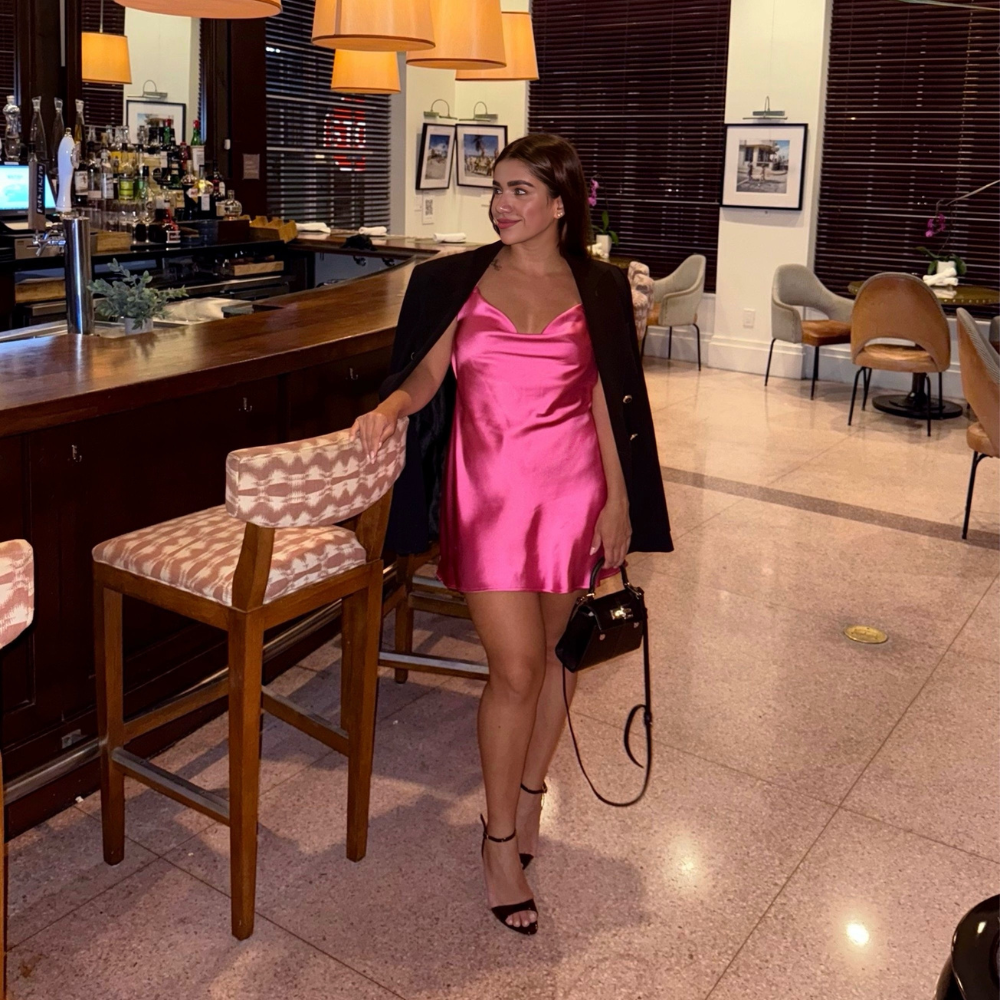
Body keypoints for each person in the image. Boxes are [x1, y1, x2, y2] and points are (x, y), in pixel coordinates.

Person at [353, 133, 671, 935]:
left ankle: (530, 796)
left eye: (519, 190)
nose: (500, 204)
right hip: (488, 497)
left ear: (560, 204)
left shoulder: (600, 287)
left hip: (573, 492)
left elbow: (606, 399)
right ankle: (498, 842)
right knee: (517, 667)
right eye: (496, 189)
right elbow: (428, 372)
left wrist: (619, 503)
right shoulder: (455, 279)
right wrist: (388, 408)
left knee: (559, 657)